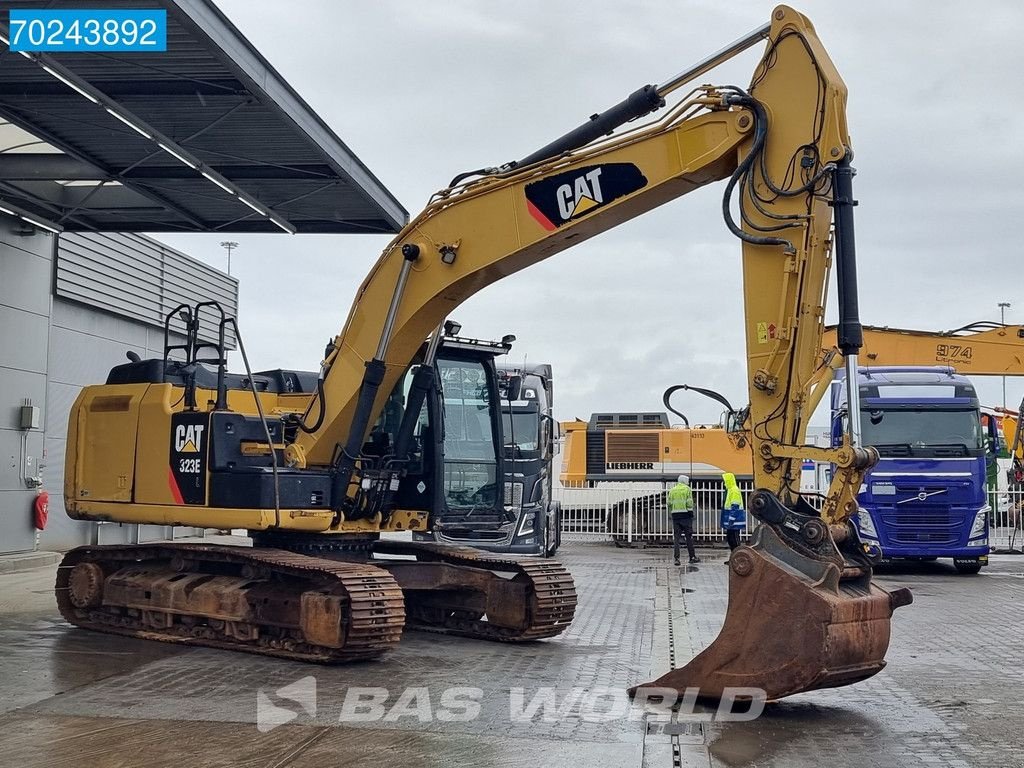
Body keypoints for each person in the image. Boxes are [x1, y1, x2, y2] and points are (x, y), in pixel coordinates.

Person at [668, 474, 699, 565]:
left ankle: (676, 559)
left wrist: (673, 512)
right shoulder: (687, 489)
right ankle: (692, 557)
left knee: (676, 538)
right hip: (686, 516)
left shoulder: (672, 490)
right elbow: (689, 503)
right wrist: (691, 514)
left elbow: (669, 503)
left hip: (675, 516)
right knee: (688, 537)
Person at [720, 472, 746, 561]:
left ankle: (739, 559)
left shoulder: (734, 490)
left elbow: (735, 506)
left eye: (725, 481)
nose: (724, 483)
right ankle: (734, 558)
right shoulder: (731, 490)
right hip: (732, 520)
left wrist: (731, 519)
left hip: (735, 521)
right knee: (731, 539)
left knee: (735, 540)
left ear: (729, 481)